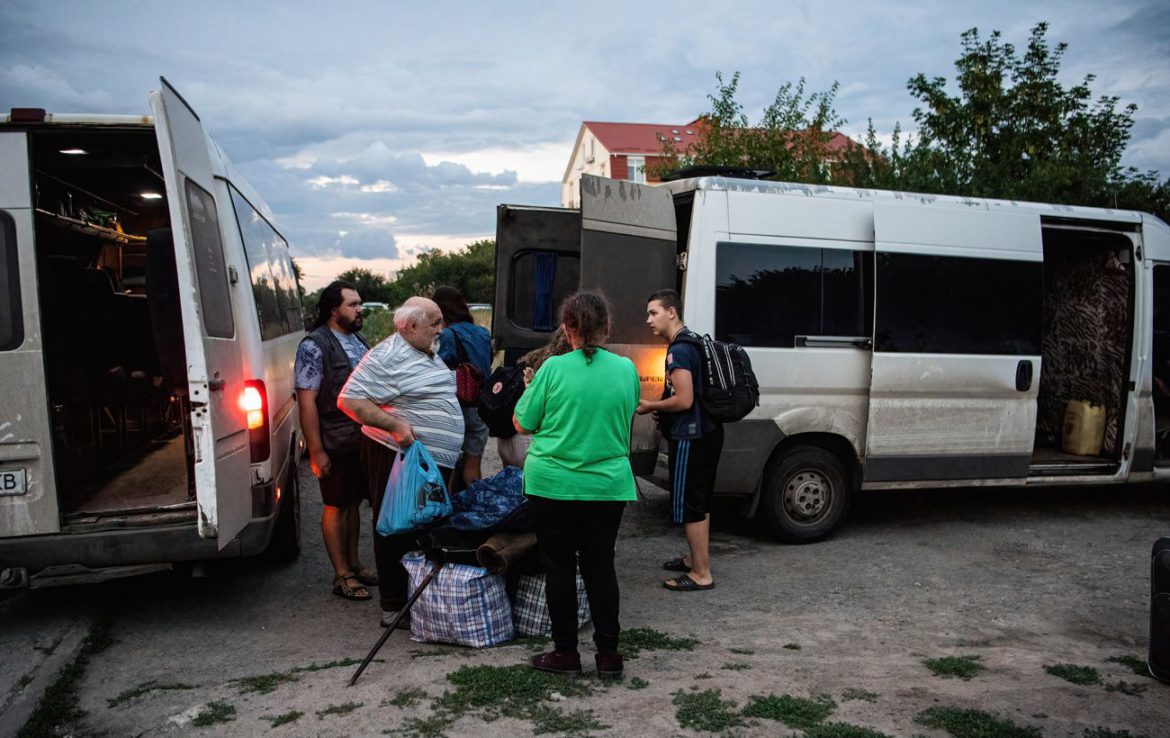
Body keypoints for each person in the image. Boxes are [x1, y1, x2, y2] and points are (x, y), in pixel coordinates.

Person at [514, 292, 640, 678]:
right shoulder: (626, 369)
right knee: (601, 567)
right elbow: (628, 411)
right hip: (607, 485)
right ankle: (609, 656)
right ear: (606, 326)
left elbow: (522, 423)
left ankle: (566, 653)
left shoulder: (552, 369)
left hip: (553, 484)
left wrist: (531, 387)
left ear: (568, 327)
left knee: (560, 570)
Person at [338, 297, 465, 627]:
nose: (442, 328)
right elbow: (348, 400)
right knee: (396, 526)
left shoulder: (424, 349)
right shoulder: (387, 355)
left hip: (426, 459)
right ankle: (394, 607)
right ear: (409, 326)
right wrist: (395, 426)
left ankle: (416, 601)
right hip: (396, 454)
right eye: (434, 323)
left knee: (422, 526)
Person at [636, 289, 723, 592]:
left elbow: (684, 400)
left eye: (653, 312)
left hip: (692, 435)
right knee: (700, 501)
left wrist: (651, 406)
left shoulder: (678, 351)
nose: (649, 320)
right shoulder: (693, 341)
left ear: (671, 312)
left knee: (690, 505)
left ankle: (701, 573)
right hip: (709, 431)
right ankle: (694, 559)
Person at [294, 281, 374, 601]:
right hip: (334, 439)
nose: (359, 309)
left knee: (353, 502)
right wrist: (316, 450)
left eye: (359, 304)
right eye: (352, 305)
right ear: (333, 310)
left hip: (360, 437)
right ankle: (341, 575)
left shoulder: (357, 339)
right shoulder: (314, 345)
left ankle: (354, 564)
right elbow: (307, 401)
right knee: (335, 505)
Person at [433, 286, 493, 484]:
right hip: (481, 406)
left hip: (456, 406)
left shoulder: (448, 335)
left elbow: (436, 366)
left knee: (447, 467)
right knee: (473, 464)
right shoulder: (483, 333)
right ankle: (472, 507)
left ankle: (449, 511)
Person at [497, 326, 573, 468]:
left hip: (505, 438)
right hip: (528, 442)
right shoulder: (560, 368)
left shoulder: (533, 356)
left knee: (509, 484)